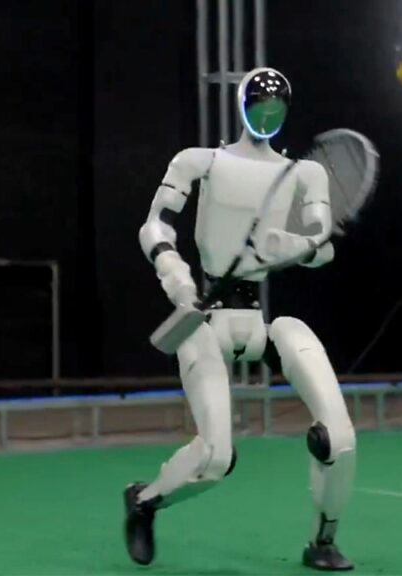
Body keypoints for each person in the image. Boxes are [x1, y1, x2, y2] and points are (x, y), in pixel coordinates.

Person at [126, 67, 357, 571]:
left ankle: (323, 539)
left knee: (337, 437)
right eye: (259, 106)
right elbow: (154, 226)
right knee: (215, 458)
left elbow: (323, 247)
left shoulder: (304, 174)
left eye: (277, 109)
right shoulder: (200, 161)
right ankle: (144, 501)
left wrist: (292, 246)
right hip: (206, 320)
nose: (267, 116)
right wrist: (175, 276)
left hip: (261, 320)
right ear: (242, 107)